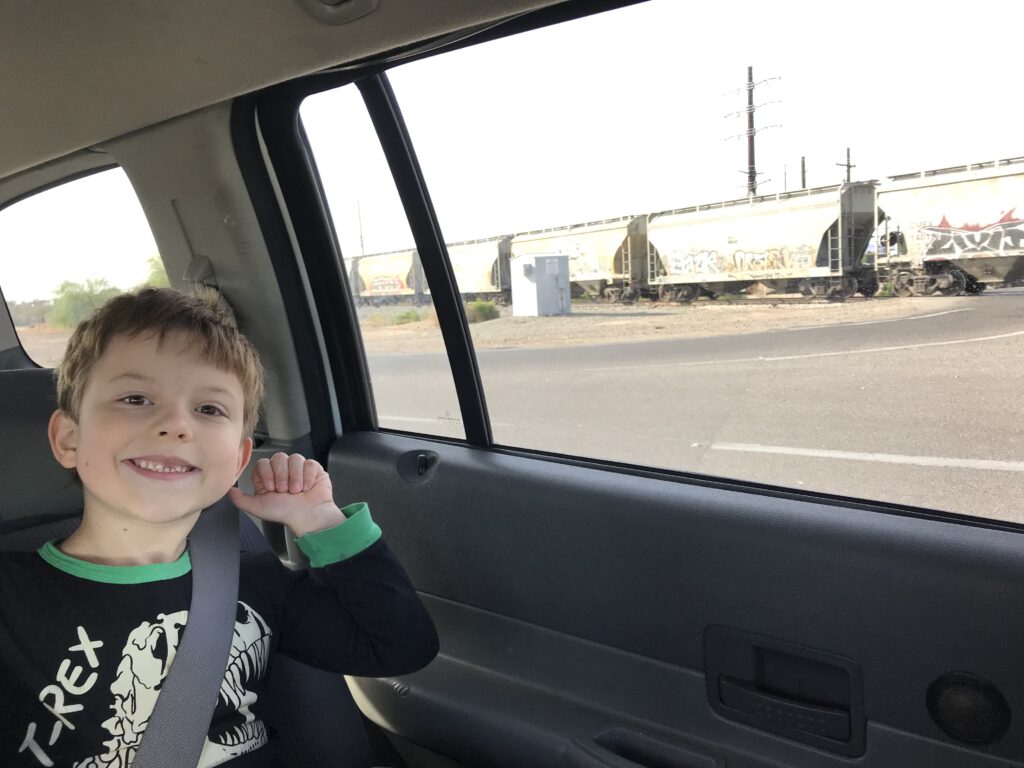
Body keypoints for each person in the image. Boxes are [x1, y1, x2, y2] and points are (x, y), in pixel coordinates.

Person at [0, 288, 438, 767]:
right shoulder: (12, 595)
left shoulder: (255, 584)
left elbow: (399, 647)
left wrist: (321, 522)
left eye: (209, 409)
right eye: (135, 398)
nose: (175, 424)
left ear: (238, 460)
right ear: (68, 438)